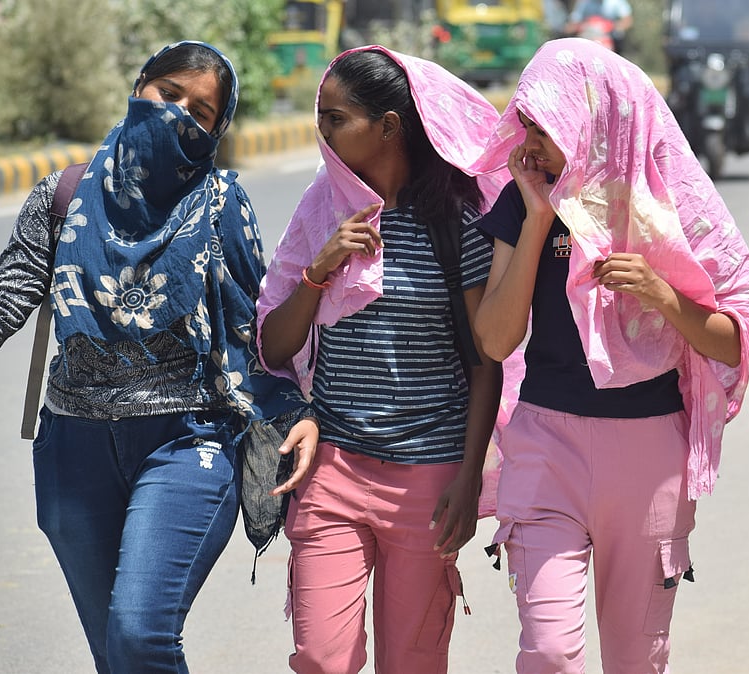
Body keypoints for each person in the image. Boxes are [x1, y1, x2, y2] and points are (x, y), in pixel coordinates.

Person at [0, 41, 320, 672]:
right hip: (73, 449)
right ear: (138, 89)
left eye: (202, 111)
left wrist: (296, 406)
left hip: (187, 441)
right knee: (117, 657)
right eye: (168, 93)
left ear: (217, 130)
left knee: (138, 635)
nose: (179, 113)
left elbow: (254, 331)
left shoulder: (221, 204)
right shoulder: (64, 197)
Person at [470, 38, 749, 673]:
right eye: (525, 122)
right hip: (545, 445)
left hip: (648, 454)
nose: (529, 142)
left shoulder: (668, 204)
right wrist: (534, 222)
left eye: (544, 125)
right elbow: (495, 341)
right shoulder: (521, 202)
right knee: (548, 653)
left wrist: (662, 293)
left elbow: (738, 335)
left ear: (593, 116)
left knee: (637, 659)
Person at [255, 45, 504, 674]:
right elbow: (275, 347)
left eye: (337, 118)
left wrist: (469, 477)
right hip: (331, 470)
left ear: (389, 126)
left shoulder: (459, 222)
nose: (323, 131)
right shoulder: (323, 212)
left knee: (412, 663)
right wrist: (319, 270)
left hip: (429, 480)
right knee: (319, 657)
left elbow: (484, 362)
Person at [564, 0, 633, 52]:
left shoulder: (617, 2)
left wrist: (611, 26)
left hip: (612, 40)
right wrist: (584, 26)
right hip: (589, 40)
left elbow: (627, 21)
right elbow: (573, 24)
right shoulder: (584, 3)